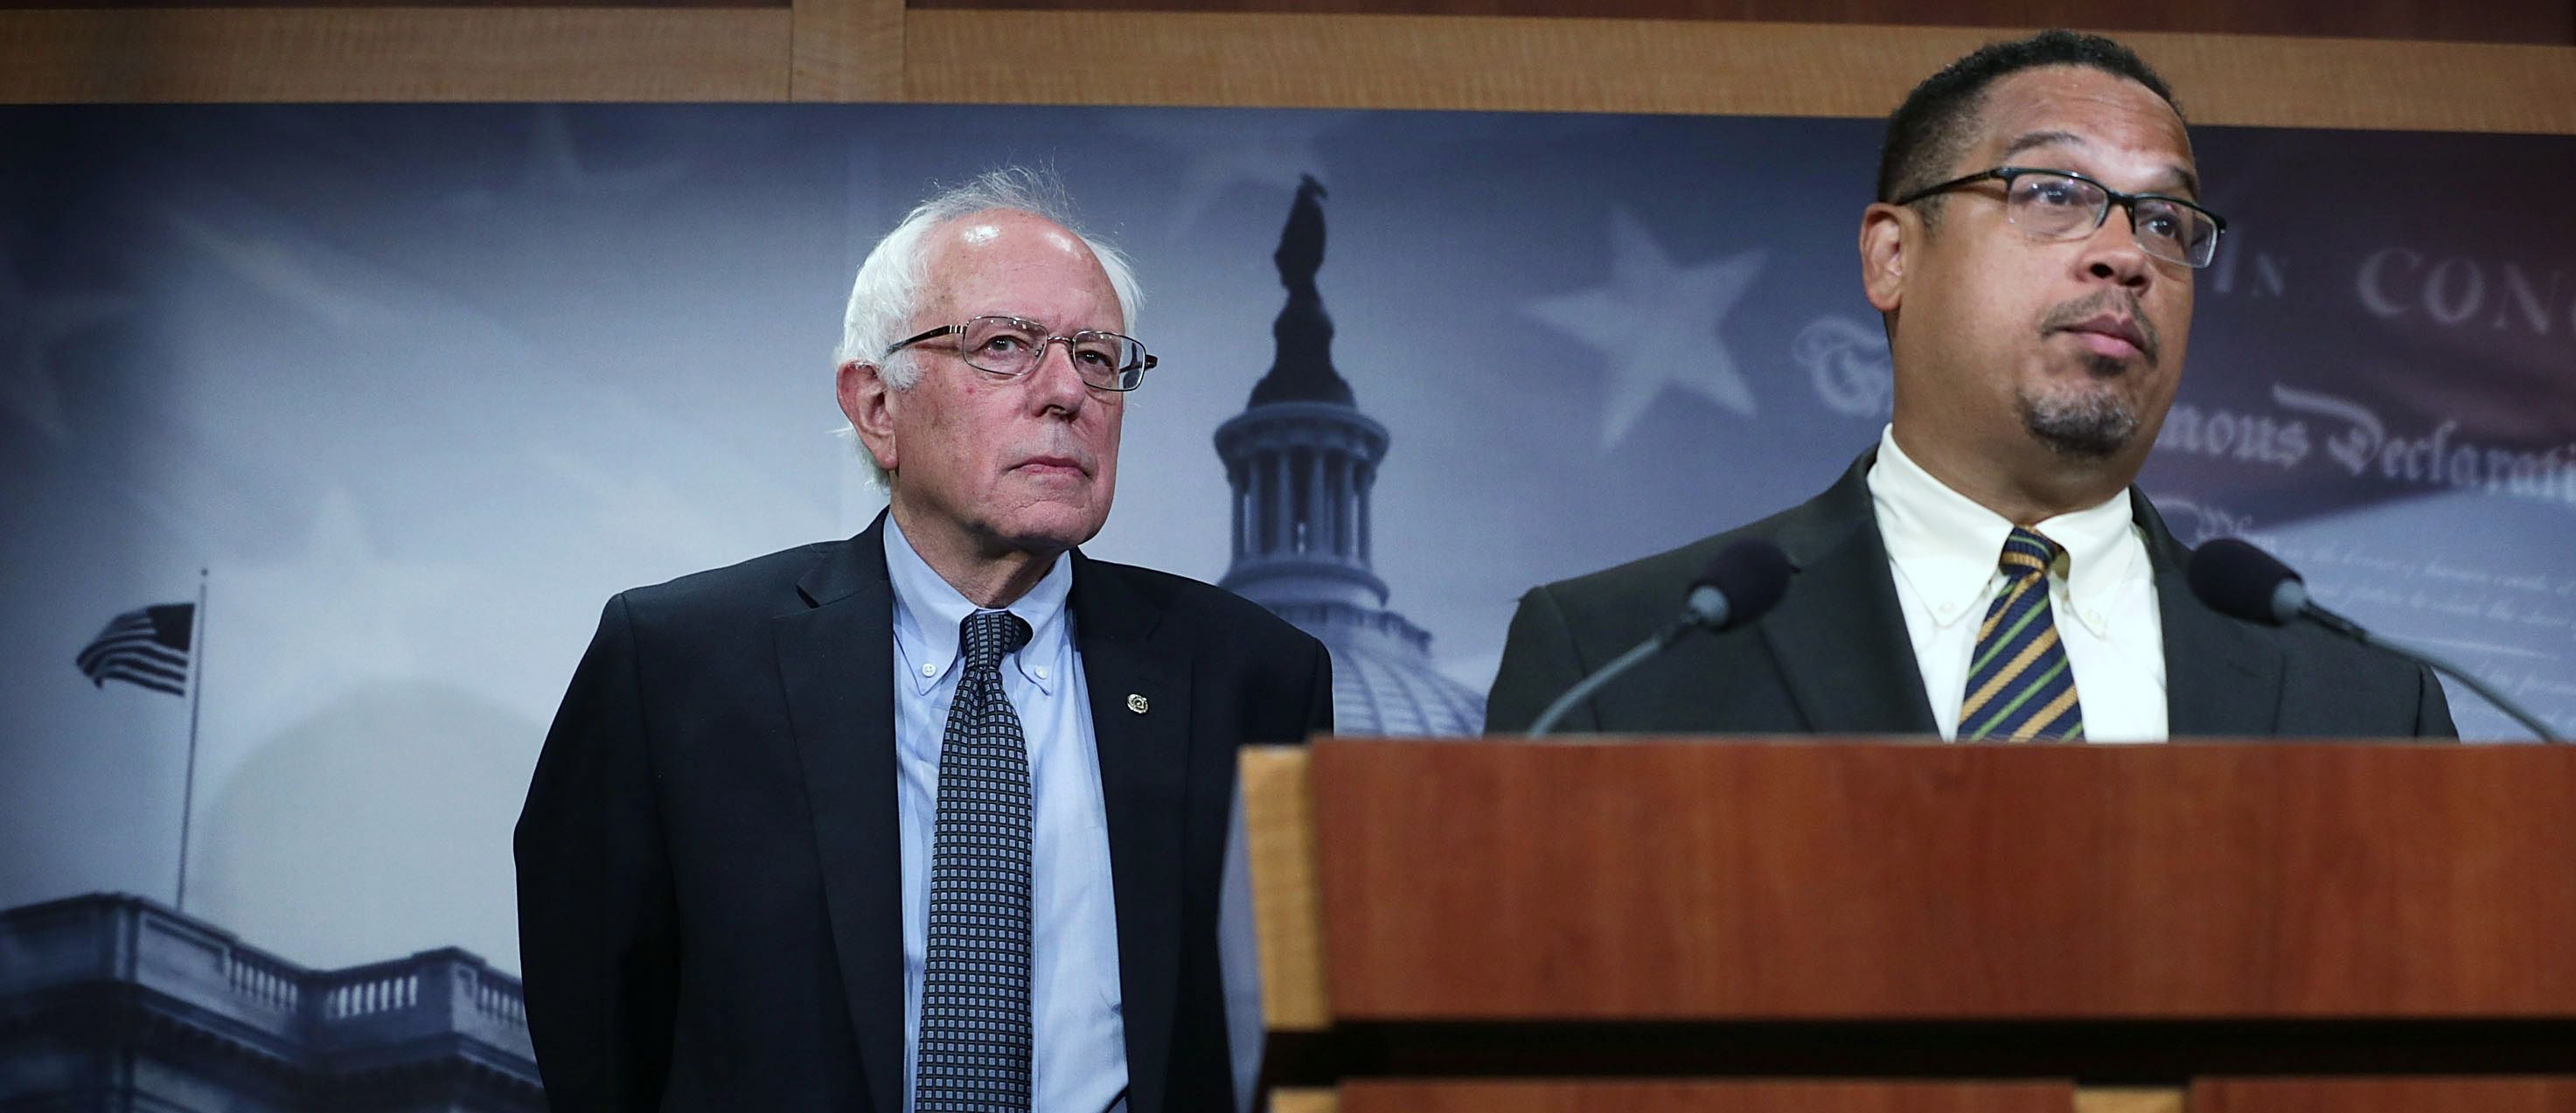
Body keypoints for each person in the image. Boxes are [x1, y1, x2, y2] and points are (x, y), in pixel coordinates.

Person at [516, 169, 1334, 1113]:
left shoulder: (1252, 677)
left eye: (1100, 359)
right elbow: (599, 1034)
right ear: (876, 407)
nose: (1068, 391)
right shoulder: (674, 665)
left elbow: (1289, 1042)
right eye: (1005, 347)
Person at [1486, 31, 2453, 740]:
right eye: (2055, 195)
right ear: (1892, 257)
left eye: (2166, 220)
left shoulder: (2369, 704)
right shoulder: (1616, 662)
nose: (2125, 255)